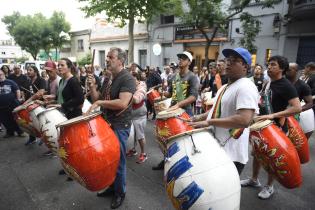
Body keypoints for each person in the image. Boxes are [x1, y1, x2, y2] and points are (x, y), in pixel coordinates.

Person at [189, 47, 259, 176]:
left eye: (234, 60)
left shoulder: (246, 86)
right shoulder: (225, 87)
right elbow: (217, 111)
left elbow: (244, 120)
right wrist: (198, 118)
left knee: (224, 193)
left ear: (245, 67)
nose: (228, 63)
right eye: (228, 59)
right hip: (220, 149)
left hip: (232, 155)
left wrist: (209, 122)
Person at [240, 56, 302, 200]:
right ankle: (254, 179)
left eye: (273, 64)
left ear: (282, 69)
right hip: (262, 127)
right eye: (269, 64)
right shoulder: (268, 82)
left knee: (272, 159)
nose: (269, 66)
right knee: (257, 154)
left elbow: (297, 107)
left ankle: (269, 186)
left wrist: (273, 115)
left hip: (277, 128)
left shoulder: (286, 85)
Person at [87, 47, 136, 209]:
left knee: (118, 160)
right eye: (107, 57)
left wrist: (100, 103)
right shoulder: (108, 79)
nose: (107, 59)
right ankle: (112, 187)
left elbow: (122, 103)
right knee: (108, 160)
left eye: (110, 57)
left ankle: (120, 192)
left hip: (120, 125)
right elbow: (98, 98)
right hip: (106, 124)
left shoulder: (127, 78)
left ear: (120, 61)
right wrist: (93, 87)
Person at [152, 51, 199, 170]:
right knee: (167, 138)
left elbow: (193, 96)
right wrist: (162, 94)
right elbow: (171, 94)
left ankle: (185, 165)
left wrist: (179, 105)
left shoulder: (193, 77)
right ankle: (167, 160)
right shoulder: (173, 77)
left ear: (189, 62)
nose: (180, 60)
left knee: (184, 141)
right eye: (180, 58)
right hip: (171, 112)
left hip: (185, 113)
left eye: (184, 58)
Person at [286, 63, 313, 138]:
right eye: (286, 69)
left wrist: (297, 110)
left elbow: (310, 103)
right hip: (277, 113)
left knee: (291, 137)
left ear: (296, 71)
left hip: (292, 116)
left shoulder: (303, 86)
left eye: (289, 70)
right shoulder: (281, 82)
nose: (286, 71)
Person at [126, 72, 148, 163]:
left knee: (140, 135)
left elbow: (137, 99)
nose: (131, 81)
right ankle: (133, 149)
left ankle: (144, 154)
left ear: (138, 81)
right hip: (132, 115)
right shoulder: (131, 86)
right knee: (133, 135)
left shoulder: (142, 88)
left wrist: (129, 93)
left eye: (133, 80)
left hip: (140, 115)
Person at [24, 65, 47, 146]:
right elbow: (26, 93)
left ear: (36, 71)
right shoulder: (28, 81)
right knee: (31, 122)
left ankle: (45, 139)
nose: (28, 71)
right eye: (27, 70)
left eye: (30, 70)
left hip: (40, 105)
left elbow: (41, 92)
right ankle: (32, 138)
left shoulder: (41, 80)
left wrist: (29, 101)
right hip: (30, 105)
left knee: (42, 123)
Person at [0, 69, 24, 138]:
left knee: (15, 119)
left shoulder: (10, 82)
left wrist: (18, 100)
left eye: (1, 75)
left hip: (12, 104)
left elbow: (17, 90)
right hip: (1, 107)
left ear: (4, 75)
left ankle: (20, 132)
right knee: (5, 120)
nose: (0, 76)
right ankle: (10, 132)